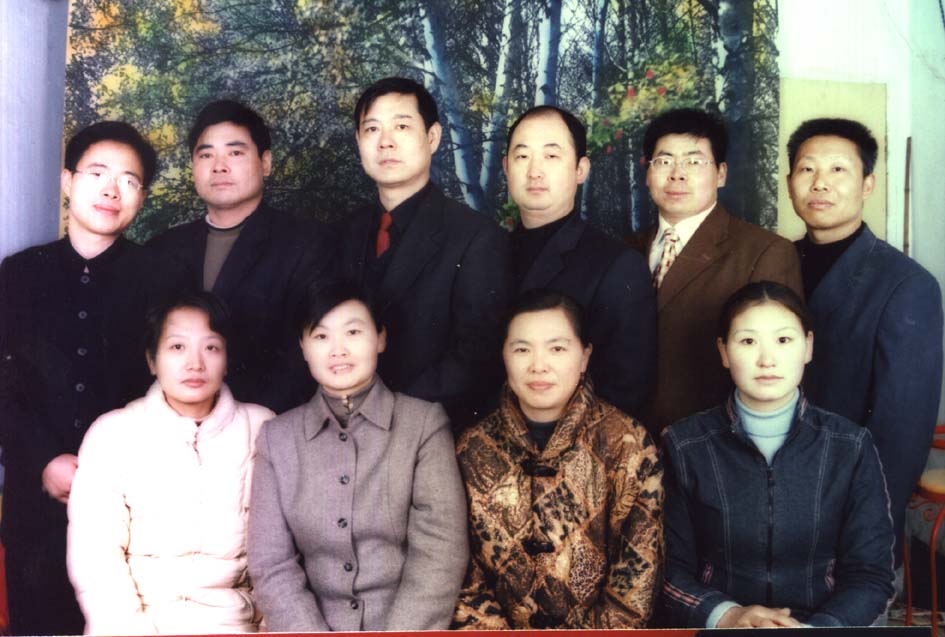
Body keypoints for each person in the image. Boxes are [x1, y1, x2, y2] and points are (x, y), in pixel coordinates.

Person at [0, 121, 185, 635]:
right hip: (36, 503)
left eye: (128, 180)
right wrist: (45, 460)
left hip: (135, 503)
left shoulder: (163, 279)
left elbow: (175, 386)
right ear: (67, 181)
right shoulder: (18, 274)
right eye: (97, 173)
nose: (111, 190)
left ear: (141, 197)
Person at [661, 281, 895, 628]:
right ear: (724, 351)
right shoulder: (683, 445)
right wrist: (726, 615)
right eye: (748, 341)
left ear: (808, 347)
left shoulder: (849, 445)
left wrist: (819, 629)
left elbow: (872, 575)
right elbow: (667, 570)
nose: (767, 360)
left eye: (784, 340)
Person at [247, 279, 468, 631]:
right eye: (321, 336)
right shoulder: (277, 438)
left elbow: (440, 552)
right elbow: (271, 563)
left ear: (380, 338)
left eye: (353, 332)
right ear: (303, 347)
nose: (338, 350)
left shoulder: (423, 424)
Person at [452, 289, 663, 629]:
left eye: (557, 348)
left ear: (584, 357)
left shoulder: (628, 445)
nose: (539, 365)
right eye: (522, 349)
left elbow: (635, 587)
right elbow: (462, 579)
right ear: (504, 355)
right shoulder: (471, 449)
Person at [67, 291, 273, 634]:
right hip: (140, 624)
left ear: (227, 359)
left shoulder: (262, 429)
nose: (195, 363)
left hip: (235, 625)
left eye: (211, 347)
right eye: (177, 347)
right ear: (152, 359)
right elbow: (96, 559)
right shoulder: (112, 434)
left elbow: (282, 559)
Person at [787, 117, 943, 567]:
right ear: (790, 182)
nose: (820, 183)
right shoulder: (774, 262)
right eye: (807, 169)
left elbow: (901, 432)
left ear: (868, 184)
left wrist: (866, 530)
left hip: (848, 517)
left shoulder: (906, 283)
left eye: (838, 169)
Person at [337, 77, 510, 428]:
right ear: (358, 141)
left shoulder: (476, 236)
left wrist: (384, 415)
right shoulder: (342, 232)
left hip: (430, 431)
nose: (386, 141)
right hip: (344, 429)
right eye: (372, 129)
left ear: (433, 138)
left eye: (401, 126)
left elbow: (476, 357)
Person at [149, 99, 336, 413]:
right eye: (206, 155)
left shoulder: (307, 244)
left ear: (265, 163)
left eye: (235, 153)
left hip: (270, 424)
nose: (219, 166)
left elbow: (308, 356)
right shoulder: (161, 250)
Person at [626, 107, 802, 435]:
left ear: (721, 174)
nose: (677, 174)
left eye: (694, 162)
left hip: (716, 443)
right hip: (626, 444)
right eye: (664, 161)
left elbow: (777, 371)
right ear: (648, 173)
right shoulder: (625, 250)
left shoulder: (764, 251)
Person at [504, 105, 655, 417]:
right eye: (522, 156)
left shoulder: (617, 265)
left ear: (580, 169)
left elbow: (625, 390)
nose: (534, 171)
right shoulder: (486, 252)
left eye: (551, 155)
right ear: (506, 167)